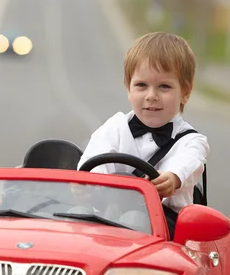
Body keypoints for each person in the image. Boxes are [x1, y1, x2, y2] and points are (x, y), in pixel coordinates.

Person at [76, 32, 209, 239]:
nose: (151, 96)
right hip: (107, 219)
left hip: (166, 228)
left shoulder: (191, 141)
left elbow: (188, 161)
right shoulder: (114, 127)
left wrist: (172, 178)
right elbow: (93, 162)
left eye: (164, 86)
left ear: (185, 92)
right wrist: (86, 187)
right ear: (128, 89)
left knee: (135, 221)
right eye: (141, 85)